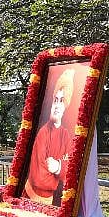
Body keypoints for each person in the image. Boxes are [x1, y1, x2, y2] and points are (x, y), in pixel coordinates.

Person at [23, 69, 75, 205]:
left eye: (61, 101)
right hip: (32, 195)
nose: (57, 105)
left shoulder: (65, 135)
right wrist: (59, 171)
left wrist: (57, 167)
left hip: (49, 198)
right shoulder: (43, 132)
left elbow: (71, 167)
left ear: (66, 106)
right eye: (55, 100)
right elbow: (38, 177)